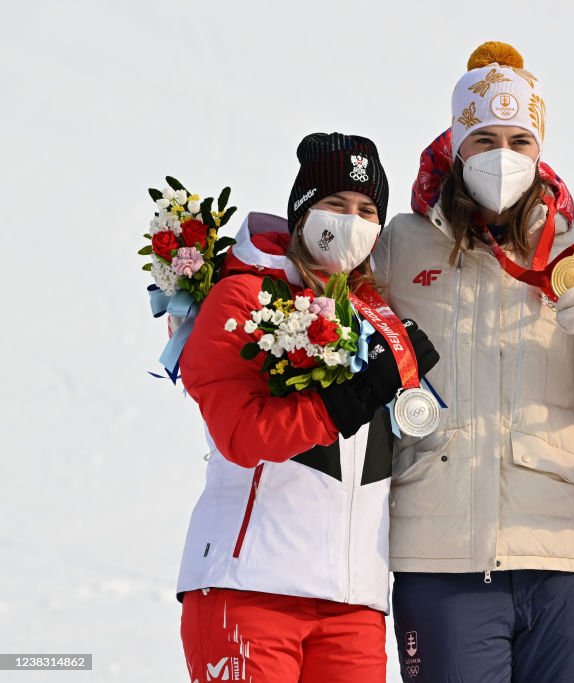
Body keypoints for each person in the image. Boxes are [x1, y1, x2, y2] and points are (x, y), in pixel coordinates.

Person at [371, 42, 574, 683]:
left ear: (540, 150)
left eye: (519, 141)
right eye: (484, 139)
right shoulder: (400, 246)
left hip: (571, 549)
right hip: (440, 551)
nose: (502, 156)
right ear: (456, 146)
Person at [175, 133, 438, 682]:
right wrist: (356, 396)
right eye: (335, 205)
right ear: (301, 212)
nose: (352, 221)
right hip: (250, 587)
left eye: (367, 210)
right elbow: (240, 436)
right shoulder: (244, 296)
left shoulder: (379, 318)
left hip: (355, 602)